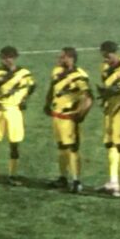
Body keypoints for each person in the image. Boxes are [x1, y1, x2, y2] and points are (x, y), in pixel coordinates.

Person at [0, 47, 35, 186]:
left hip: (14, 112)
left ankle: (12, 175)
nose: (6, 60)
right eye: (4, 57)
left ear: (15, 57)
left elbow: (32, 87)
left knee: (14, 144)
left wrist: (24, 100)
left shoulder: (24, 74)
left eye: (9, 57)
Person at [44, 48, 92, 194]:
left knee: (72, 149)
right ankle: (63, 178)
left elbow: (88, 98)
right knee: (61, 148)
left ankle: (76, 181)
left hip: (69, 118)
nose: (59, 59)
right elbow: (52, 88)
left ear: (70, 58)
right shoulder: (57, 71)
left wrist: (81, 115)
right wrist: (47, 103)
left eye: (62, 57)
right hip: (57, 116)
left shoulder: (80, 76)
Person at [98, 41, 120, 197]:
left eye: (108, 54)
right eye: (104, 54)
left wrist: (113, 90)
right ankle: (113, 182)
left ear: (115, 52)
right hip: (110, 111)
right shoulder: (105, 67)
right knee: (110, 144)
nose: (106, 57)